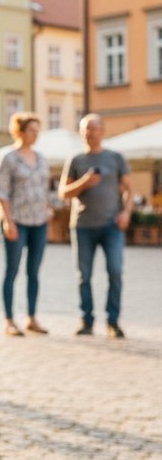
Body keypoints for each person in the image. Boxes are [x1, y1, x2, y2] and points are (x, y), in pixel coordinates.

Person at [59, 113, 132, 338]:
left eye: (94, 128)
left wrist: (126, 212)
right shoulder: (76, 160)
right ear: (81, 133)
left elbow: (129, 189)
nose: (91, 133)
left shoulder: (116, 158)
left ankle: (113, 321)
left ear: (103, 131)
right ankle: (86, 320)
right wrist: (84, 182)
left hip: (112, 225)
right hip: (82, 225)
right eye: (86, 129)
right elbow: (63, 193)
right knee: (84, 275)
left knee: (115, 271)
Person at [0, 112, 53, 336]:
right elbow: (1, 193)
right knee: (12, 271)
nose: (36, 134)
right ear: (20, 131)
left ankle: (31, 317)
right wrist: (8, 221)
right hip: (16, 221)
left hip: (39, 221)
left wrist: (48, 208)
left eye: (38, 130)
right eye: (32, 130)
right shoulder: (8, 158)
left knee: (34, 272)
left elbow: (45, 188)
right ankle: (9, 320)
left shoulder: (41, 158)